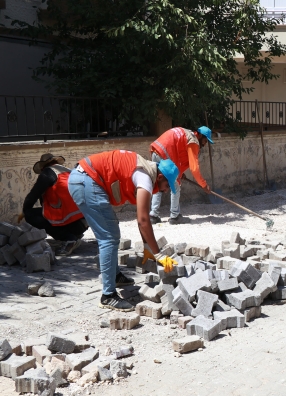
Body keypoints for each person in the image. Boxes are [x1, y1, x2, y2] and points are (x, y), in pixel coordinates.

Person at [68, 149, 180, 311]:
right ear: (160, 177)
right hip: (86, 180)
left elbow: (141, 218)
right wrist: (158, 254)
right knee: (108, 237)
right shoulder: (145, 177)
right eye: (166, 186)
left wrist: (147, 246)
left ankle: (115, 276)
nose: (165, 190)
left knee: (111, 231)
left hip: (84, 178)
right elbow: (143, 220)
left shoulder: (145, 170)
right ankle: (108, 296)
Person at [22, 153, 89, 256]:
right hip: (85, 220)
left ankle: (70, 239)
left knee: (30, 215)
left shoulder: (47, 173)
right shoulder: (67, 171)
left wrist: (25, 210)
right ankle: (74, 234)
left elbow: (33, 195)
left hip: (72, 221)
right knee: (48, 211)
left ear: (43, 166)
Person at [148, 126, 214, 224]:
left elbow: (180, 156)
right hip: (165, 156)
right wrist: (204, 185)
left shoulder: (187, 135)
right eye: (205, 140)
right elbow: (194, 168)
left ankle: (153, 215)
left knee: (158, 184)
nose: (204, 144)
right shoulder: (193, 142)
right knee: (176, 187)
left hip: (156, 152)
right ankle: (175, 216)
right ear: (199, 136)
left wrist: (180, 174)